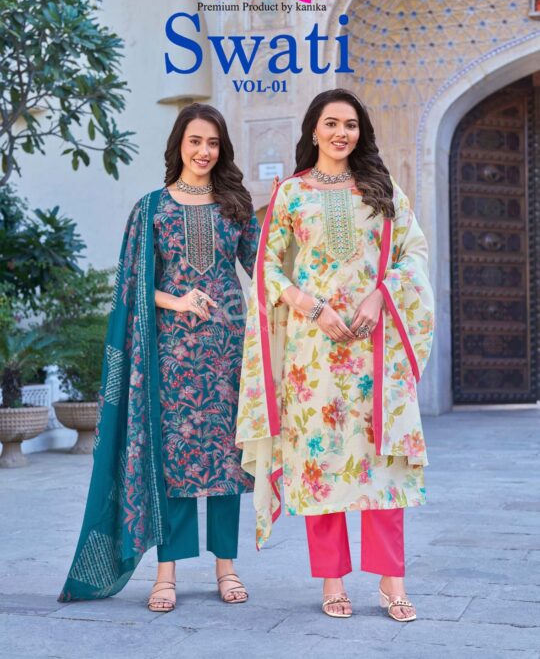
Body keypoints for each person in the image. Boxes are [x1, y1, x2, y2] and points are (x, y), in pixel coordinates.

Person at [236, 88, 434, 620]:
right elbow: (266, 267)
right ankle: (332, 583)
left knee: (384, 465)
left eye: (350, 125)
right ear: (314, 130)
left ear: (360, 132)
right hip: (314, 353)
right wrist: (310, 305)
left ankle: (392, 582)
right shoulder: (291, 193)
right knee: (320, 463)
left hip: (377, 347)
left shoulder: (382, 189)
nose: (341, 133)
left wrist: (380, 295)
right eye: (331, 123)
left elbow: (413, 252)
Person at [59, 103, 260, 612]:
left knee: (228, 461)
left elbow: (264, 270)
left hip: (229, 352)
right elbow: (133, 286)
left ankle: (227, 568)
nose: (204, 151)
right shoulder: (152, 208)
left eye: (213, 143)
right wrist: (179, 300)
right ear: (178, 145)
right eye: (195, 141)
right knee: (174, 460)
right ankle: (166, 572)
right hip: (172, 354)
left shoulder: (235, 205)